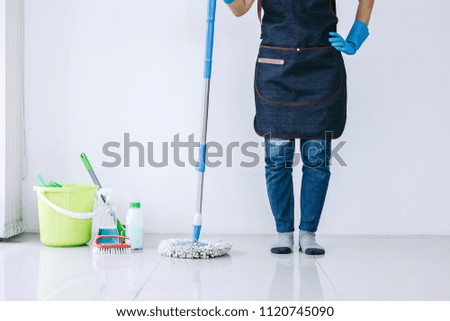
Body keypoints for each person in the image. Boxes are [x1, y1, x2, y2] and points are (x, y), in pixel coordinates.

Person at [225, 0, 375, 255]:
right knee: (276, 159)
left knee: (317, 159)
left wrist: (355, 37)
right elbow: (240, 8)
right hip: (276, 69)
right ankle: (283, 233)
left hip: (321, 65)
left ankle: (308, 234)